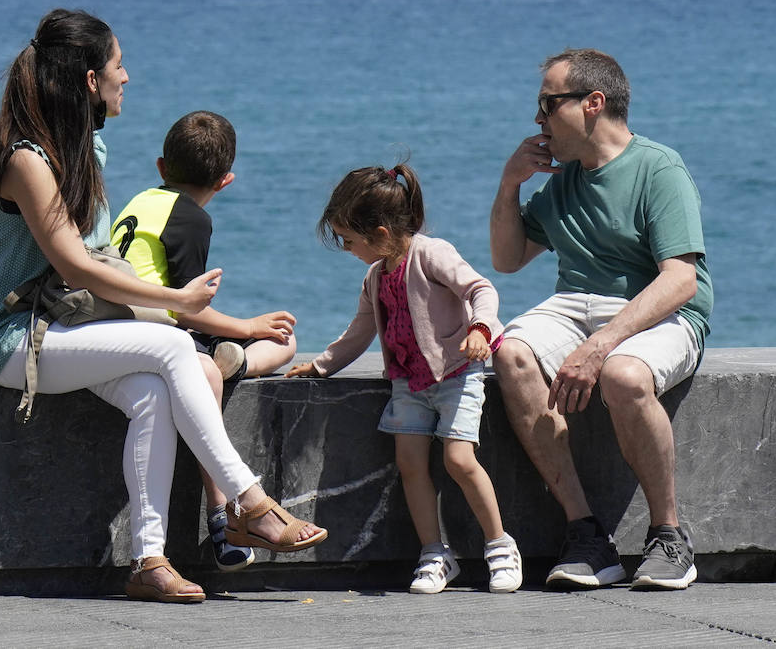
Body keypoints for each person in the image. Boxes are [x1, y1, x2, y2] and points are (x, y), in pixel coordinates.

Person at [0, 9, 327, 604]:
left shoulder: (82, 147)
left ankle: (149, 561)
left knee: (155, 392)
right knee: (173, 344)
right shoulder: (28, 159)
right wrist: (178, 303)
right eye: (117, 65)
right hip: (13, 338)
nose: (126, 77)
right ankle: (249, 501)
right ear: (89, 80)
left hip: (68, 327)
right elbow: (78, 267)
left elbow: (101, 265)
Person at [489, 48, 713, 591]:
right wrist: (509, 183)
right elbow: (508, 259)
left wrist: (602, 346)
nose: (537, 120)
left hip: (660, 309)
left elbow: (680, 278)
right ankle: (586, 534)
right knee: (511, 353)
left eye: (547, 104)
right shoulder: (563, 181)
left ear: (593, 103)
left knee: (624, 375)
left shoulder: (657, 167)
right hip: (575, 304)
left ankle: (668, 536)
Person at [286, 162, 523, 595]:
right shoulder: (375, 276)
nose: (346, 248)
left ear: (379, 232)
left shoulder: (431, 253)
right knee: (410, 464)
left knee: (459, 460)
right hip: (408, 382)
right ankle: (435, 553)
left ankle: (500, 546)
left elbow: (481, 290)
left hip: (456, 372)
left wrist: (480, 329)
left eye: (350, 240)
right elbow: (360, 330)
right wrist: (321, 365)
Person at [110, 109, 298, 571]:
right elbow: (184, 306)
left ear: (161, 168)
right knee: (272, 343)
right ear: (226, 180)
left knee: (272, 345)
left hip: (120, 327)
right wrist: (249, 326)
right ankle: (224, 516)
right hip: (159, 333)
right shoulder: (191, 218)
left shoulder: (140, 201)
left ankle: (237, 363)